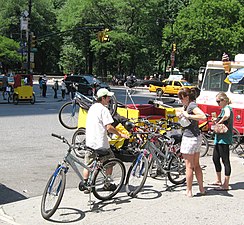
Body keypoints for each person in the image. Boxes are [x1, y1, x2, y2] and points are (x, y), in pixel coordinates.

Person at [79, 88, 129, 193]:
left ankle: (86, 184)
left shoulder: (92, 108)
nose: (110, 99)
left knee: (88, 164)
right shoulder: (104, 110)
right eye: (108, 97)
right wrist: (120, 134)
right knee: (110, 162)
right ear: (103, 98)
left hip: (90, 142)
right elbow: (109, 127)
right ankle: (108, 184)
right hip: (101, 143)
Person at [177, 88, 206, 197]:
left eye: (181, 98)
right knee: (196, 165)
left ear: (187, 97)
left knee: (189, 166)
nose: (180, 100)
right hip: (197, 137)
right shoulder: (189, 105)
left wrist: (188, 116)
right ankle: (202, 189)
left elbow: (202, 116)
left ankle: (188, 191)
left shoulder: (192, 106)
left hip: (190, 138)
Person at [210, 92, 233, 191]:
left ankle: (226, 184)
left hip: (224, 138)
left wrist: (219, 121)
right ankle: (218, 180)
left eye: (218, 101)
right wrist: (216, 120)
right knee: (215, 158)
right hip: (218, 138)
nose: (217, 103)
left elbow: (227, 116)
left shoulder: (227, 108)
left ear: (224, 100)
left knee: (225, 160)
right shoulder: (223, 109)